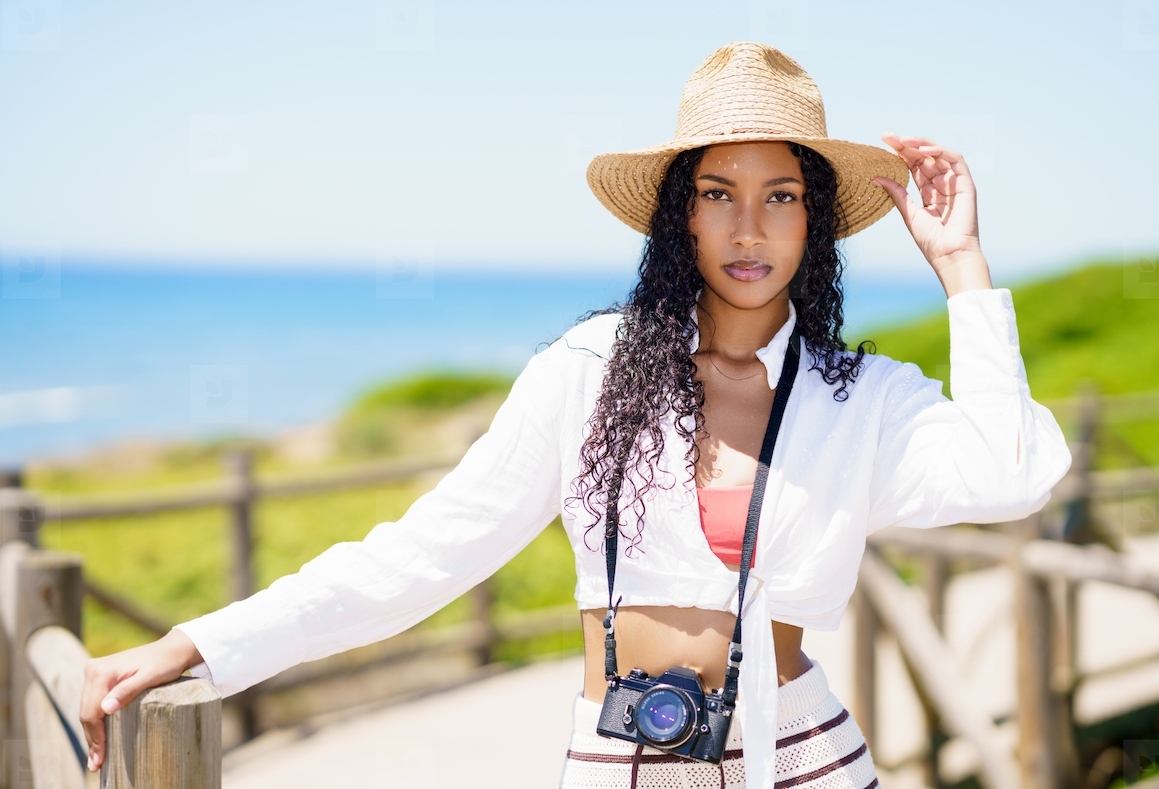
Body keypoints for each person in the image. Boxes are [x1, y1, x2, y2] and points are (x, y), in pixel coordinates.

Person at [80, 42, 1072, 788]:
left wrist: (960, 267)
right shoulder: (586, 374)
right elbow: (425, 553)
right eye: (717, 192)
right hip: (616, 759)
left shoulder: (862, 397)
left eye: (779, 196)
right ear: (680, 212)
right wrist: (198, 644)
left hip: (801, 756)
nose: (746, 226)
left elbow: (1009, 473)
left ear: (812, 222)